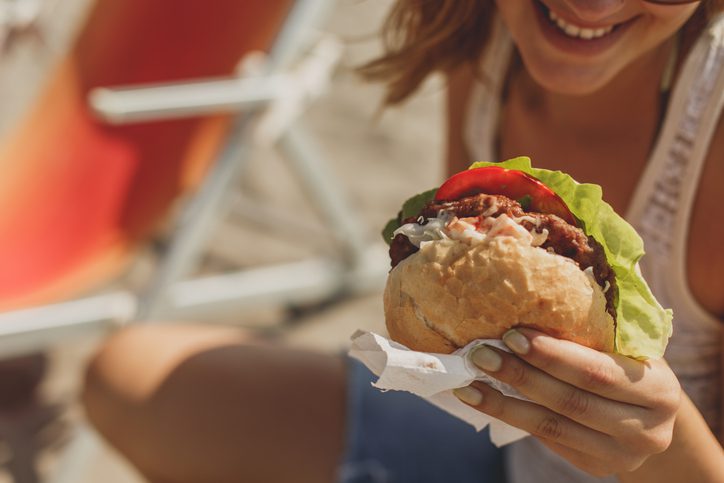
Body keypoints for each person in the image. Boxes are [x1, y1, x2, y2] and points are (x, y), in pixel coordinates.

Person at [81, 1, 724, 482]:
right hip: (500, 459)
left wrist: (668, 448)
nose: (592, 3)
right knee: (134, 379)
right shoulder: (491, 40)